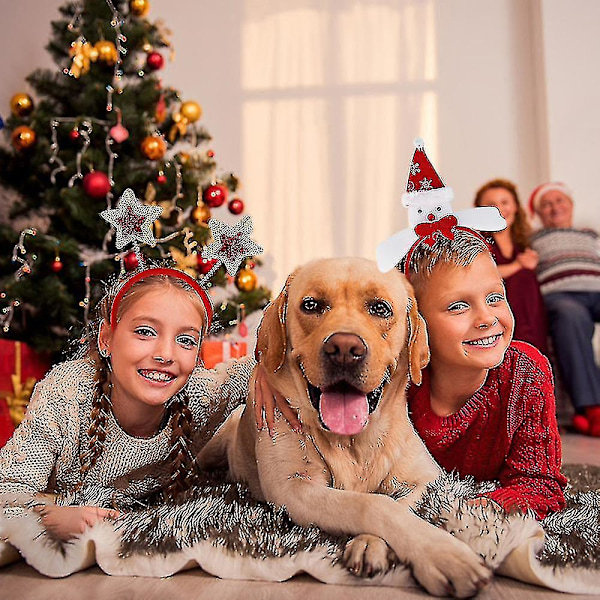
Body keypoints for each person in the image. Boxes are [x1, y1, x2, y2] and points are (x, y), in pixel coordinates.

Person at [0, 266, 294, 544]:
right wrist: (50, 519)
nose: (166, 354)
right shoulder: (66, 393)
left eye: (186, 340)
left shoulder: (201, 395)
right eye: (145, 332)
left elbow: (278, 350)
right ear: (106, 339)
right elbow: (6, 493)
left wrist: (266, 369)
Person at [403, 228, 566, 520]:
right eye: (458, 306)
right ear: (416, 322)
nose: (487, 318)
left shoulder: (524, 373)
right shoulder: (398, 378)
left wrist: (469, 512)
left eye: (495, 298)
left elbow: (539, 484)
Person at [529, 182, 600, 436]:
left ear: (570, 205)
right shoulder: (533, 238)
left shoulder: (589, 234)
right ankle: (591, 409)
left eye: (559, 201)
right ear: (538, 214)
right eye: (546, 204)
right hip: (561, 295)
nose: (554, 207)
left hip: (596, 288)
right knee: (571, 317)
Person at [474, 179, 548, 354]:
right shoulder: (476, 242)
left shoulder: (525, 243)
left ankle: (533, 352)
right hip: (494, 314)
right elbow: (479, 276)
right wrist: (518, 266)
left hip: (531, 319)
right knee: (523, 276)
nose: (500, 209)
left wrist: (531, 265)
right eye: (491, 204)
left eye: (505, 202)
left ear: (515, 207)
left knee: (526, 278)